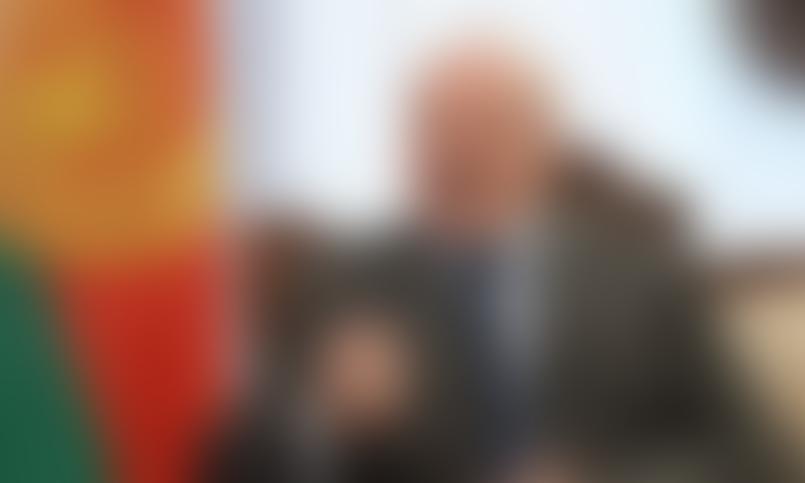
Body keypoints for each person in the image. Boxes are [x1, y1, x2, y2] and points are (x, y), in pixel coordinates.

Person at [212, 39, 729, 483]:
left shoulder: (638, 284)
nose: (460, 149)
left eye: (489, 124)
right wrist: (322, 417)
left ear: (542, 139)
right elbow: (238, 463)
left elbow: (739, 455)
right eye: (439, 126)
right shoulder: (341, 284)